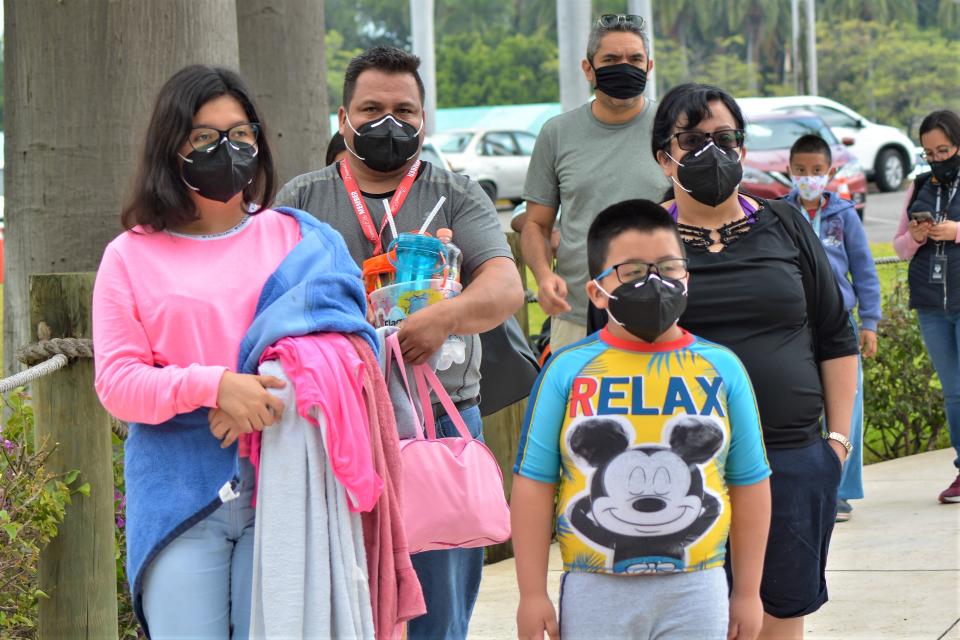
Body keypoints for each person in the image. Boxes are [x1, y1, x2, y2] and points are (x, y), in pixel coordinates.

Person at [275, 46, 524, 639]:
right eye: (371, 109)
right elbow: (264, 301)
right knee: (338, 603)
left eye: (404, 111)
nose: (389, 123)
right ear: (343, 119)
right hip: (334, 425)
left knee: (438, 615)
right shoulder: (302, 200)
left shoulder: (456, 192)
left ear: (424, 119)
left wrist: (447, 315)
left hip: (438, 424)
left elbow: (506, 286)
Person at [650, 83, 859, 640]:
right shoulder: (642, 236)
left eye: (725, 138)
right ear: (662, 155)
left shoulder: (787, 225)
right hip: (677, 468)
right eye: (692, 140)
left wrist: (836, 445)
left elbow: (837, 336)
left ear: (743, 148)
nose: (711, 152)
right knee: (696, 621)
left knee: (780, 617)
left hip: (791, 458)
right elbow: (610, 349)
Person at [93, 65, 295, 638]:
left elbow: (340, 348)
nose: (226, 148)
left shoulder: (294, 237)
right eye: (204, 137)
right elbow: (118, 384)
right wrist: (214, 386)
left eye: (240, 133)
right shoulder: (129, 257)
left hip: (284, 486)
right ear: (170, 145)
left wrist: (262, 394)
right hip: (179, 502)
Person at [512, 200, 771, 640]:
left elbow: (749, 482)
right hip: (594, 588)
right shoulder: (567, 370)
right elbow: (534, 484)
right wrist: (531, 594)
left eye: (668, 268)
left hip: (698, 585)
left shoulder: (722, 368)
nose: (654, 282)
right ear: (595, 291)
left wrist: (747, 591)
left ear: (687, 277)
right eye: (631, 273)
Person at [521, 13, 669, 352]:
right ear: (588, 69)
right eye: (611, 60)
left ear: (649, 67)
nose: (624, 67)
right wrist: (544, 277)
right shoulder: (557, 134)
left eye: (634, 59)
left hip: (664, 310)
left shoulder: (672, 128)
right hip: (577, 316)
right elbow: (536, 225)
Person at [784, 134, 881, 522]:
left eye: (817, 171)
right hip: (795, 324)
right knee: (804, 405)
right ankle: (808, 485)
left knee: (846, 408)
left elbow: (865, 272)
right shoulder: (779, 214)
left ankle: (840, 491)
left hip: (840, 322)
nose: (809, 178)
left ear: (831, 172)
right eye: (801, 171)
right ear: (789, 171)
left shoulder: (845, 216)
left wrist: (870, 322)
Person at [892, 108, 960, 504]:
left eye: (944, 150)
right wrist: (917, 236)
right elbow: (900, 248)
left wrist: (955, 232)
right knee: (953, 392)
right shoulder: (920, 185)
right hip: (932, 304)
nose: (937, 158)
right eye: (929, 153)